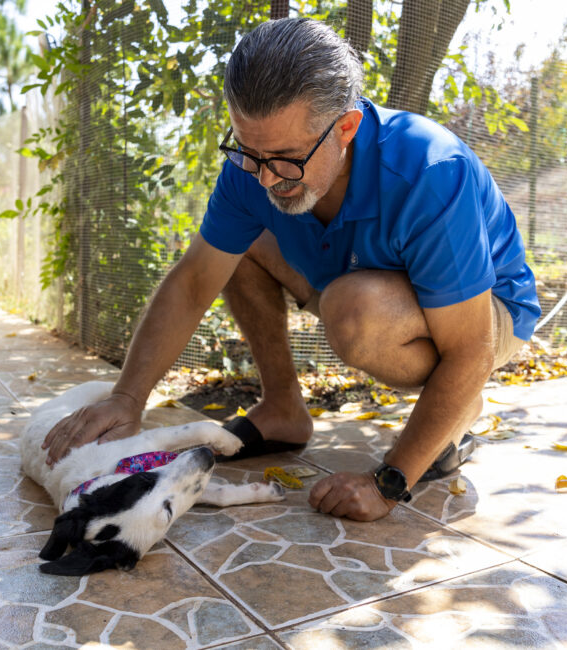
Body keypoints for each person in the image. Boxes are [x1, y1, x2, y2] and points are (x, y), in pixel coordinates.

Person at [43, 17, 540, 521]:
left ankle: (458, 415)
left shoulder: (431, 171)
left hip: (485, 317)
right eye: (249, 152)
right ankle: (282, 409)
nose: (265, 177)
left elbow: (470, 349)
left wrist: (390, 482)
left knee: (355, 309)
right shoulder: (254, 169)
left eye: (285, 158)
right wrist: (128, 398)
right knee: (236, 247)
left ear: (346, 128)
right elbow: (195, 281)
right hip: (354, 279)